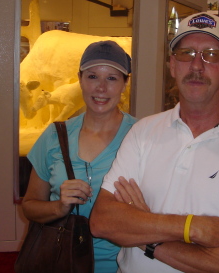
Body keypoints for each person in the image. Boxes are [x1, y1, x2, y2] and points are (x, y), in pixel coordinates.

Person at [90, 12, 219, 273]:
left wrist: (148, 233)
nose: (196, 66)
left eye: (211, 54)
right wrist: (193, 227)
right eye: (186, 53)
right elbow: (102, 221)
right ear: (172, 65)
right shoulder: (143, 132)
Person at [22, 40, 136, 272]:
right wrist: (59, 207)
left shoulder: (141, 136)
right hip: (62, 260)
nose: (101, 88)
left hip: (122, 264)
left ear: (125, 84)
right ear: (80, 80)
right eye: (92, 77)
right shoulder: (55, 135)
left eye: (112, 78)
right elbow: (30, 206)